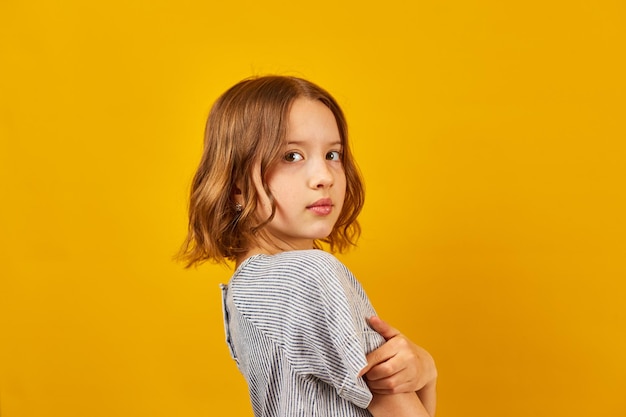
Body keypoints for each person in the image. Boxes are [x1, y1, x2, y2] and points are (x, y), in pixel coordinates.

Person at [179, 75, 437, 416]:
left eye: (333, 154)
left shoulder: (247, 287)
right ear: (237, 186)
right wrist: (429, 371)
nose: (325, 176)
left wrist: (423, 371)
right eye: (291, 156)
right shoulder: (307, 275)